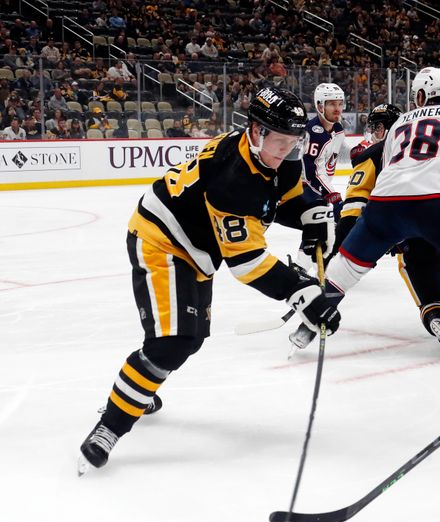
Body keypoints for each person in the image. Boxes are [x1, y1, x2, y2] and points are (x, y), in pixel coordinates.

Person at [77, 87, 339, 474]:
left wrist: (311, 216)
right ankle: (109, 426)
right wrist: (303, 293)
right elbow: (247, 263)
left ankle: (141, 388)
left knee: (190, 339)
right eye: (279, 141)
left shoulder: (280, 157)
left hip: (199, 246)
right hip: (162, 240)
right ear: (255, 130)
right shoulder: (231, 176)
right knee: (174, 342)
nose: (286, 150)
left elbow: (283, 197)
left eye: (293, 141)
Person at [299, 67, 440, 369]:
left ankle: (310, 321)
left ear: (418, 96)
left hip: (383, 204)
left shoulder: (400, 123)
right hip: (435, 201)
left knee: (347, 266)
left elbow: (390, 166)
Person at [332, 103, 440, 359]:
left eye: (377, 127)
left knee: (417, 266)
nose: (373, 133)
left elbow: (355, 202)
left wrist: (350, 241)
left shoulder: (373, 153)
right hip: (438, 219)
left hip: (402, 227)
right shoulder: (428, 151)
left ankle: (436, 312)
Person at [302, 82, 346, 215]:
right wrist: (333, 195)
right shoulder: (313, 133)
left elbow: (337, 156)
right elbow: (312, 172)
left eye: (340, 104)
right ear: (320, 106)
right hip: (304, 188)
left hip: (320, 187)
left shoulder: (338, 130)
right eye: (332, 104)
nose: (337, 109)